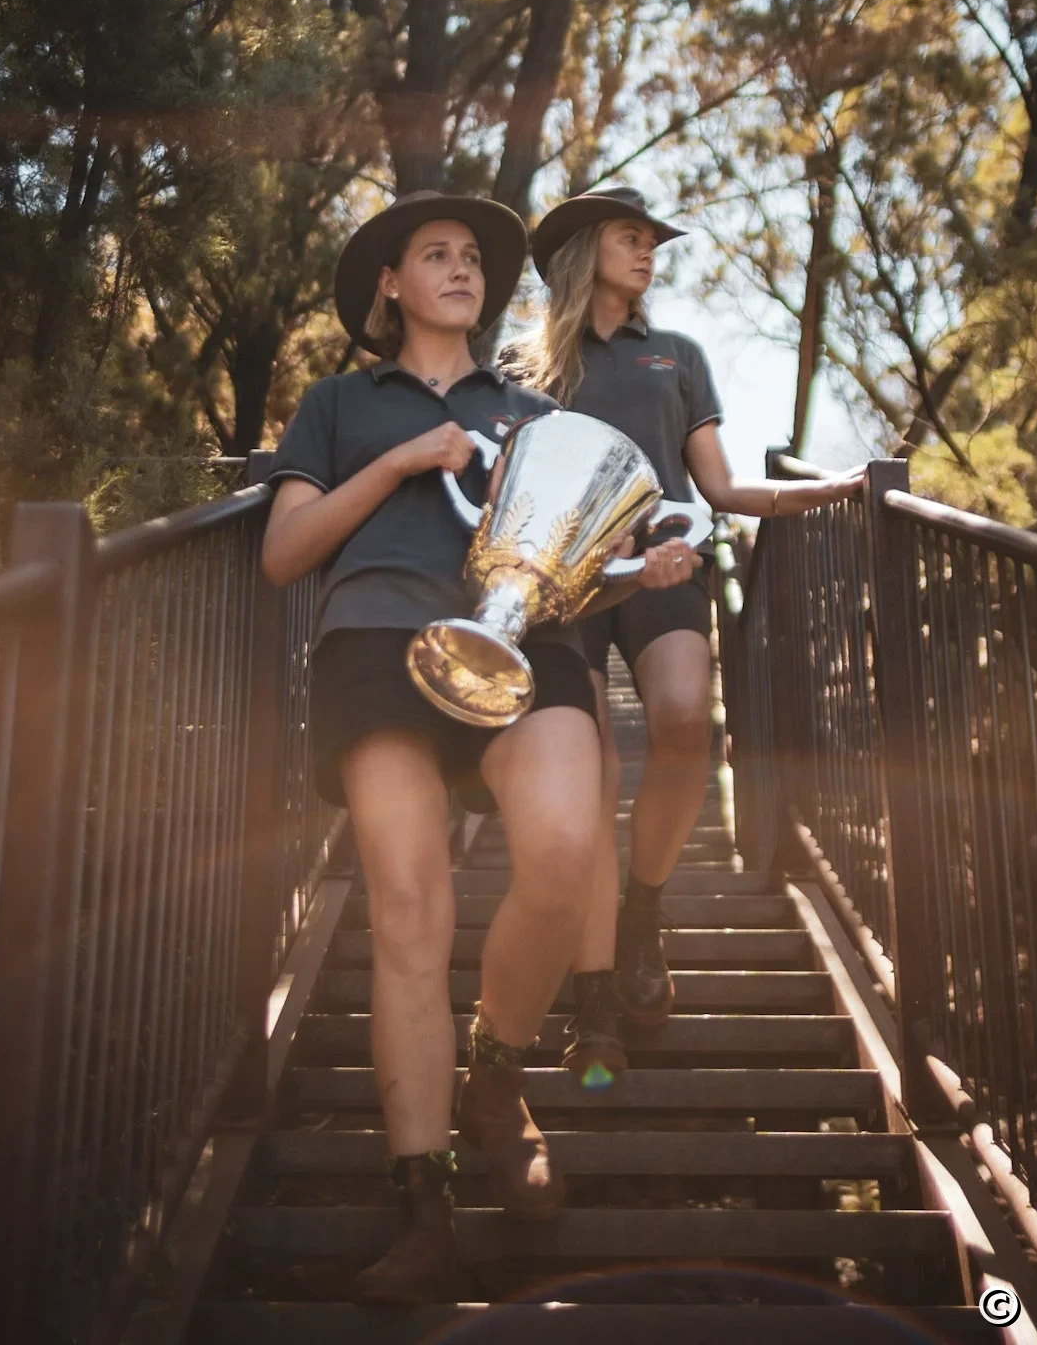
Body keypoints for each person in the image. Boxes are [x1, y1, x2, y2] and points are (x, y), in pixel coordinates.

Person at [261, 191, 686, 1304]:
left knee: (560, 846)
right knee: (407, 911)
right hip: (370, 641)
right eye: (433, 255)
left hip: (526, 638)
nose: (459, 269)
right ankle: (422, 1206)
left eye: (472, 258)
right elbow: (282, 551)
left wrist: (646, 570)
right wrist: (400, 462)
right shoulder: (337, 401)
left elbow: (587, 548)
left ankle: (493, 1071)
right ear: (389, 287)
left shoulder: (534, 407)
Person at [507, 187, 863, 1084]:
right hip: (566, 583)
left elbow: (725, 489)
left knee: (682, 726)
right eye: (632, 237)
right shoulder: (525, 366)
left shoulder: (677, 356)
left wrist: (835, 490)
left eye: (652, 240)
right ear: (588, 249)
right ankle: (594, 1004)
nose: (650, 251)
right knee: (589, 779)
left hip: (669, 564)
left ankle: (644, 908)